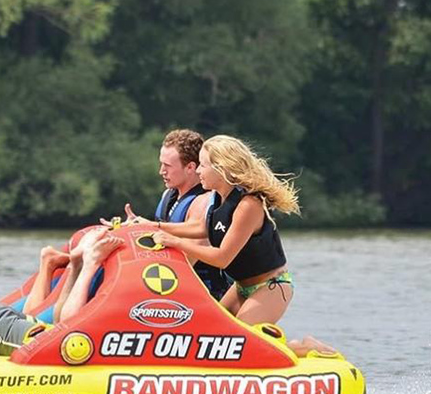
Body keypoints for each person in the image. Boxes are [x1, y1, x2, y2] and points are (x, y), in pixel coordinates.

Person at [138, 135, 333, 356]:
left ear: (221, 168)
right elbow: (201, 229)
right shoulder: (219, 200)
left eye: (203, 165)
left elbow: (222, 257)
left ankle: (305, 346)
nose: (199, 171)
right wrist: (153, 226)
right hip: (241, 287)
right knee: (211, 339)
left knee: (238, 343)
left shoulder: (248, 205)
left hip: (270, 287)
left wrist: (174, 242)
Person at [100, 129, 230, 300]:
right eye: (161, 164)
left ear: (191, 167)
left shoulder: (203, 202)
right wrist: (128, 232)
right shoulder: (169, 195)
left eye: (167, 166)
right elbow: (158, 244)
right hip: (168, 285)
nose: (161, 171)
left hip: (202, 295)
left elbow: (184, 263)